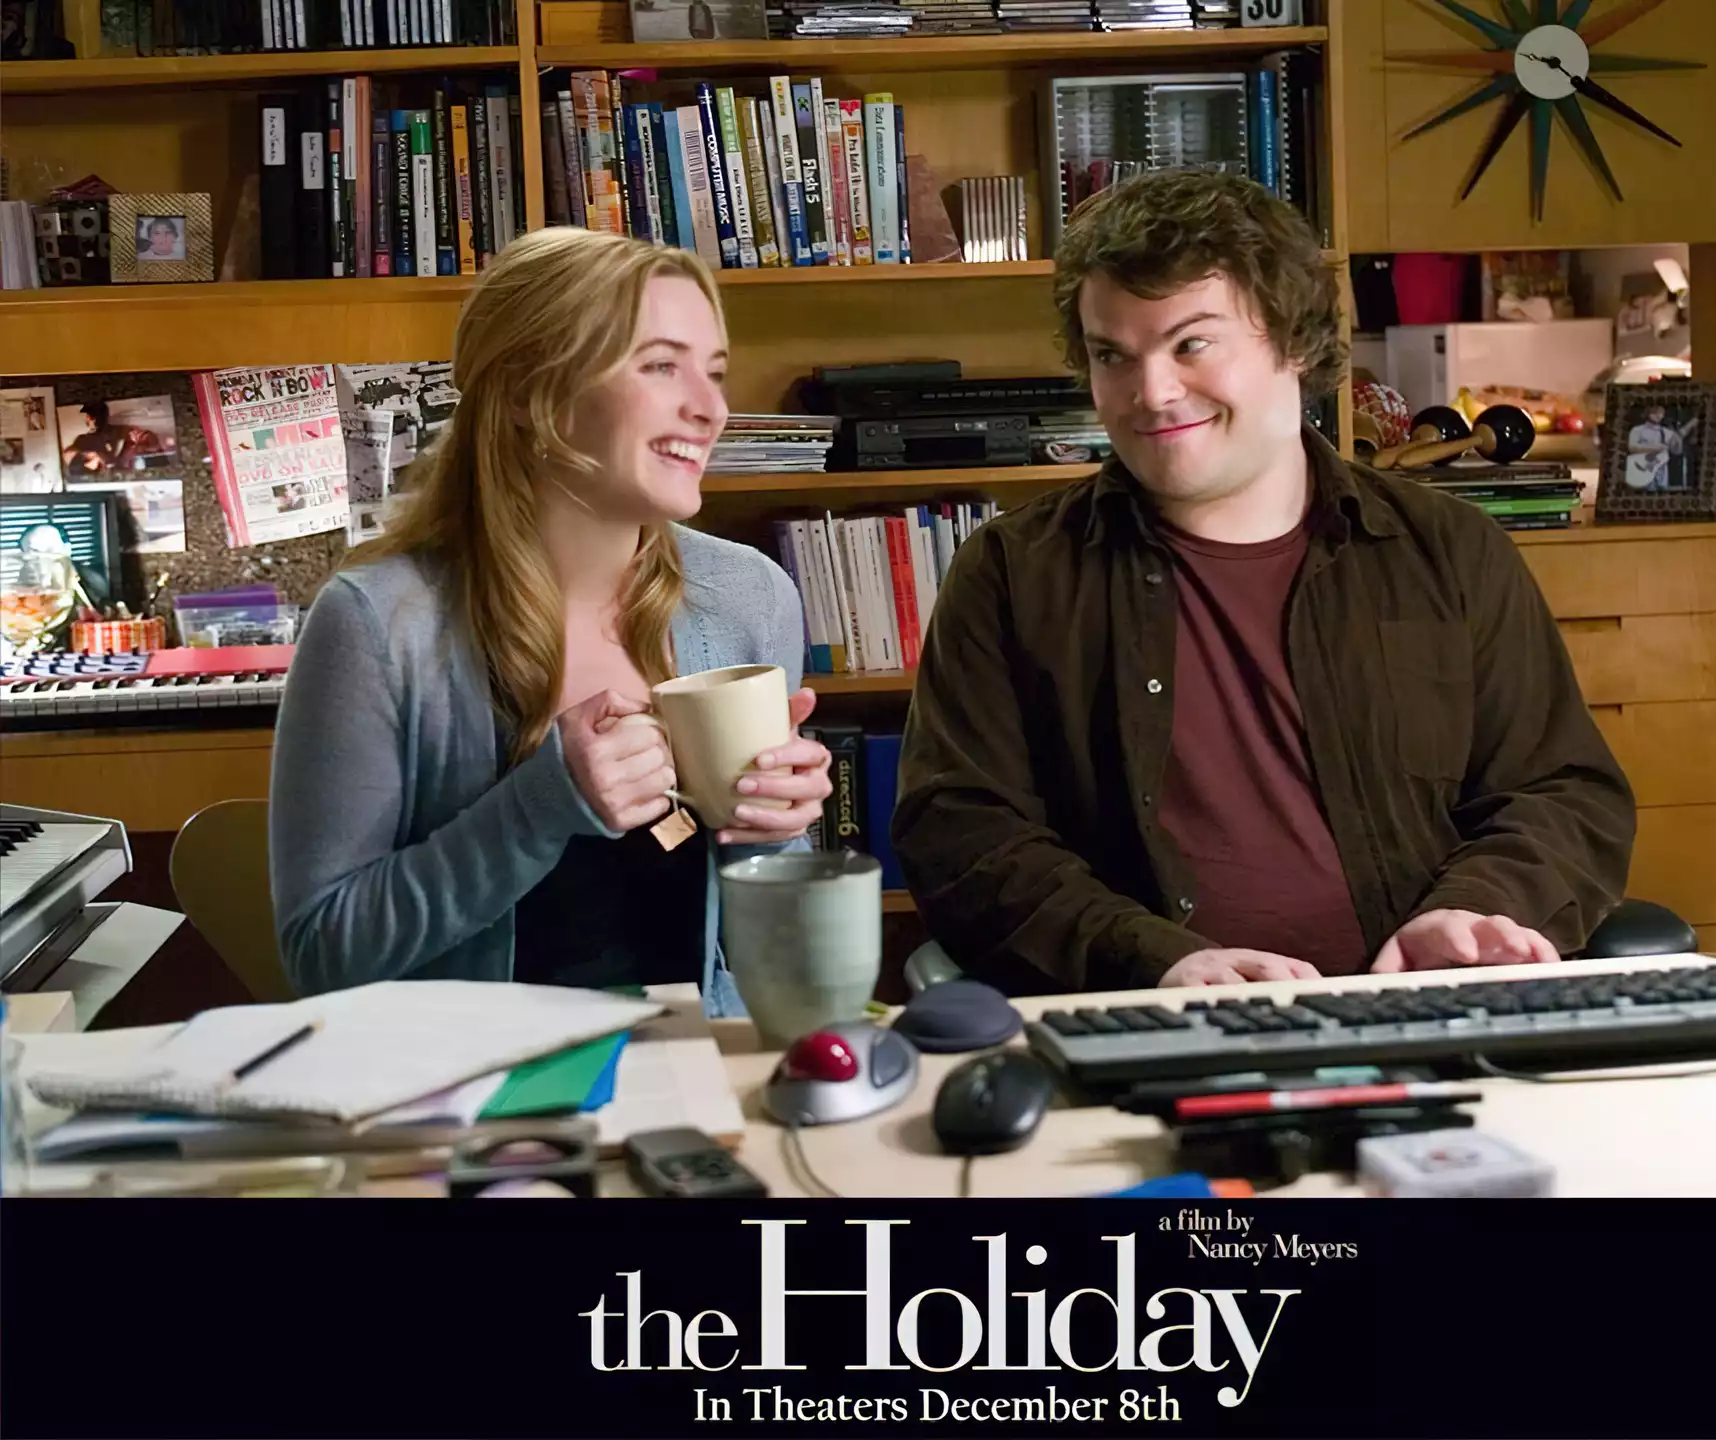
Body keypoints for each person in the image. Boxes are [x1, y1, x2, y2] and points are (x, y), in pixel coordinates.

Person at [891, 170, 1635, 996]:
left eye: (1192, 344)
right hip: (1151, 1021)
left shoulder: (1450, 550)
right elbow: (961, 835)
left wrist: (1473, 911)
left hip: (1425, 1010)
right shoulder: (1011, 573)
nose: (1151, 393)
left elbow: (1561, 792)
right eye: (1112, 356)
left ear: (1294, 341)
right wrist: (1154, 957)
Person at [270, 228, 833, 1014]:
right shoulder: (378, 623)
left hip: (697, 1064)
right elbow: (322, 957)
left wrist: (774, 835)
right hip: (472, 1079)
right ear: (531, 393)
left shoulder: (750, 597)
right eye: (661, 366)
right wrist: (537, 809)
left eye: (713, 372)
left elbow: (784, 960)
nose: (711, 409)